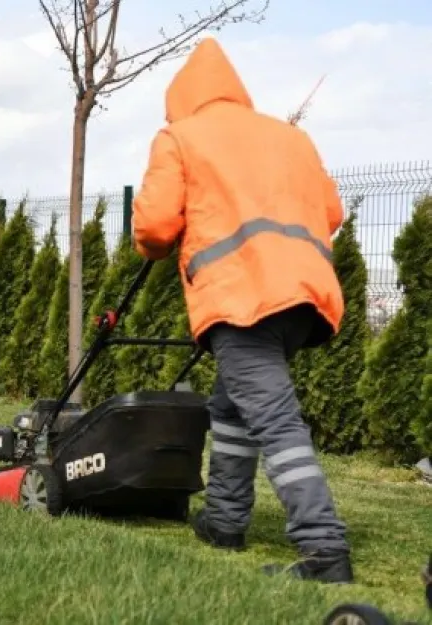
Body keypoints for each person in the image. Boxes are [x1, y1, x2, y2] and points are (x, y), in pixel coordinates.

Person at [130, 37, 353, 583]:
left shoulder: (180, 136)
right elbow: (333, 211)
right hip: (305, 297)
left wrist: (162, 242)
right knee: (232, 407)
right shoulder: (291, 136)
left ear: (180, 98)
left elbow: (155, 227)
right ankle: (224, 521)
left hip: (241, 295)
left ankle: (324, 549)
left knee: (274, 419)